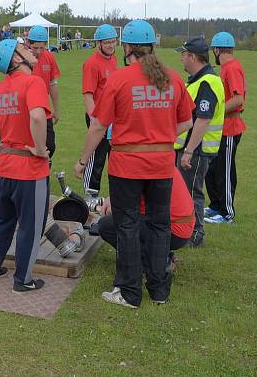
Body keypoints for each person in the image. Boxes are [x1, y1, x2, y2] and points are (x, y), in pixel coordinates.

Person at [73, 19, 193, 308]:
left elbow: (98, 126)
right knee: (159, 225)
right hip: (162, 164)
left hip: (127, 165)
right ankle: (159, 290)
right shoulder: (173, 77)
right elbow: (187, 120)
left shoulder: (119, 79)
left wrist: (82, 161)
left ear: (126, 47)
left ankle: (129, 292)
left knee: (127, 226)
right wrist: (161, 137)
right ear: (152, 45)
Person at [0, 39, 51, 293]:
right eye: (24, 48)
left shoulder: (0, 88)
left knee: (4, 219)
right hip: (30, 169)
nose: (30, 50)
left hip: (5, 165)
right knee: (30, 226)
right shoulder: (34, 82)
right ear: (16, 59)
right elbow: (38, 117)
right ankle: (23, 281)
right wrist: (39, 149)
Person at [174, 36, 225, 247]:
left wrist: (188, 151)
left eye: (184, 55)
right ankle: (187, 230)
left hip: (197, 150)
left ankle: (196, 233)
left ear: (193, 57)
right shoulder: (196, 80)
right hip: (190, 148)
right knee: (184, 191)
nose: (182, 60)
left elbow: (203, 120)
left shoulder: (207, 82)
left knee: (191, 192)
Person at [93, 167, 194, 272]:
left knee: (106, 225)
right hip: (182, 226)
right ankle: (161, 254)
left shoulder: (142, 168)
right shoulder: (159, 162)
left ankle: (156, 262)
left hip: (172, 230)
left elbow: (125, 209)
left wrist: (114, 203)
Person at [205, 32, 247, 224]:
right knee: (213, 170)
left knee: (225, 171)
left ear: (217, 49)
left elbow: (238, 99)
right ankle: (215, 206)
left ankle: (227, 213)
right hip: (220, 128)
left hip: (230, 127)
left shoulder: (232, 68)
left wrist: (217, 112)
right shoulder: (225, 68)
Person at [81, 24, 119, 193]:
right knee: (97, 158)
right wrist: (95, 121)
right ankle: (90, 196)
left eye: (113, 41)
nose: (111, 45)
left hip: (113, 118)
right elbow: (88, 95)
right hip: (98, 118)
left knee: (115, 157)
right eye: (107, 42)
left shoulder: (114, 59)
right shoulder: (91, 64)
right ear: (99, 43)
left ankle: (115, 197)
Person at [27, 25, 61, 162]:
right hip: (27, 108)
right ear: (28, 43)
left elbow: (53, 84)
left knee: (50, 146)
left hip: (44, 108)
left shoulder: (49, 57)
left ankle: (43, 174)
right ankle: (34, 176)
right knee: (30, 145)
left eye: (42, 48)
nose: (39, 52)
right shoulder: (22, 59)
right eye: (35, 48)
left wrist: (57, 110)